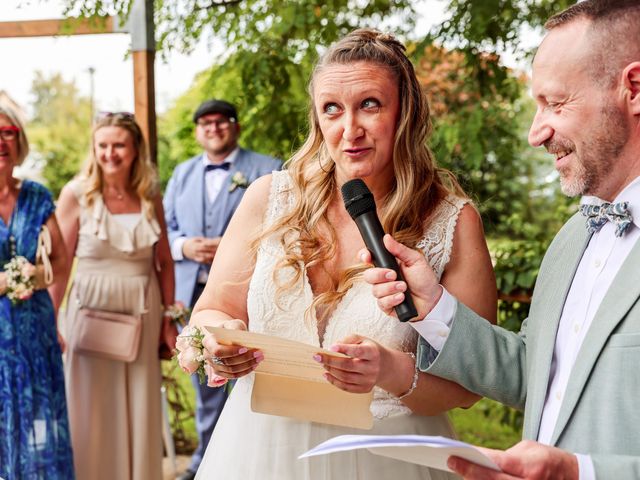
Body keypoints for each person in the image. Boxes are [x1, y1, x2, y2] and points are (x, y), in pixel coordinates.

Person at [188, 29, 497, 479]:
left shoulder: (452, 221)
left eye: (369, 104)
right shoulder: (270, 198)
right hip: (260, 451)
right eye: (332, 109)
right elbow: (212, 309)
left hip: (389, 458)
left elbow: (471, 385)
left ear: (404, 113)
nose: (349, 130)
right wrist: (219, 339)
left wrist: (390, 370)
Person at [364, 1, 640, 478]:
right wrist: (433, 307)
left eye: (556, 103)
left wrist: (580, 472)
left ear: (633, 89)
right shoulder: (574, 238)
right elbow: (530, 374)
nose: (537, 133)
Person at [51, 112, 178, 480]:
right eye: (103, 145)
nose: (110, 153)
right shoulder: (76, 194)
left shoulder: (149, 193)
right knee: (89, 409)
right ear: (93, 148)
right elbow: (59, 266)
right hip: (88, 317)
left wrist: (168, 319)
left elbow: (165, 262)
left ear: (136, 148)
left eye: (119, 144)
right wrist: (51, 320)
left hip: (143, 314)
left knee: (140, 405)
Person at [163, 99, 281, 480]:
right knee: (205, 375)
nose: (213, 128)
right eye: (205, 123)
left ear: (236, 127)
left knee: (255, 370)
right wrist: (185, 246)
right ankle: (205, 460)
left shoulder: (268, 170)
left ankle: (261, 459)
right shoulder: (181, 174)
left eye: (222, 121)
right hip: (193, 291)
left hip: (253, 293)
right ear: (197, 131)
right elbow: (164, 229)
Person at [0, 105, 75, 479]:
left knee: (39, 419)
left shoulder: (36, 195)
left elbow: (59, 263)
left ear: (19, 141)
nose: (0, 141)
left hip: (35, 330)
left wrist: (34, 276)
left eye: (7, 132)